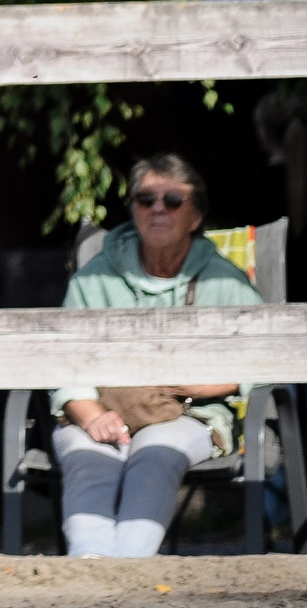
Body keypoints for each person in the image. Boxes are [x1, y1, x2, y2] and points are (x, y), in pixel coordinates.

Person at [47, 153, 262, 557]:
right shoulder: (93, 279)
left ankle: (129, 569)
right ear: (133, 210)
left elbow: (271, 361)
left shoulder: (225, 281)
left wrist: (208, 386)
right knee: (86, 455)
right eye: (146, 200)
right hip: (101, 408)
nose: (158, 208)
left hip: (189, 412)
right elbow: (64, 365)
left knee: (157, 453)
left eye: (173, 201)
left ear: (195, 217)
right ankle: (88, 569)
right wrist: (93, 417)